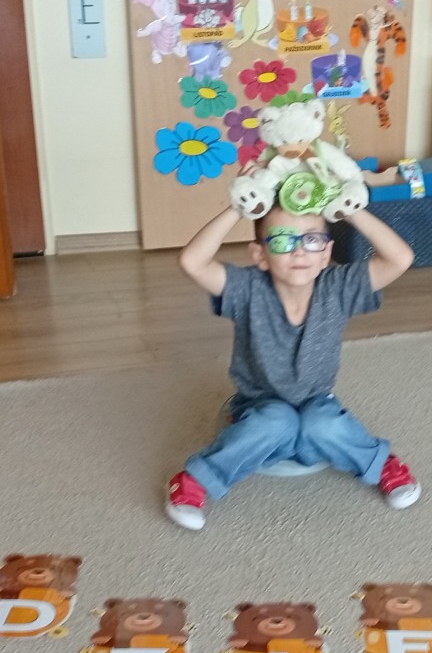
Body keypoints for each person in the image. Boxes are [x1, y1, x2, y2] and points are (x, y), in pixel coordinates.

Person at [167, 202, 418, 531]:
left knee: (324, 425)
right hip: (259, 404)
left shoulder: (339, 286)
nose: (299, 251)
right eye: (283, 240)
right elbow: (192, 261)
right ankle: (194, 480)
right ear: (260, 255)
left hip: (316, 401)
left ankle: (381, 464)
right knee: (276, 422)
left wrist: (351, 210)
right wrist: (237, 208)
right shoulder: (247, 288)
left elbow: (400, 258)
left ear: (326, 253)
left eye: (311, 240)